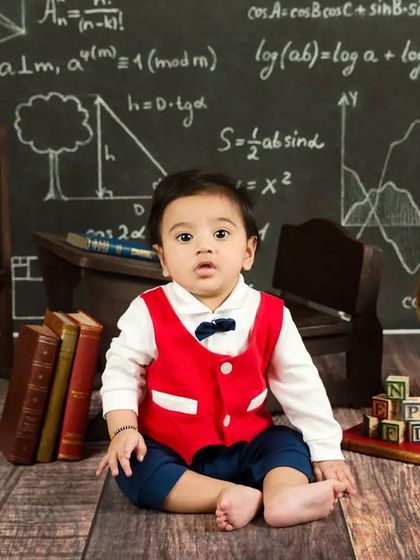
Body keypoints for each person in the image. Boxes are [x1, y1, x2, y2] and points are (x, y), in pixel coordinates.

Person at [96, 169, 357, 531]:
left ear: (248, 251)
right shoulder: (148, 310)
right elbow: (122, 370)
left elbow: (301, 384)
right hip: (171, 444)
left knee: (287, 443)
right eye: (185, 237)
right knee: (133, 470)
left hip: (249, 441)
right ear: (163, 259)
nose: (204, 246)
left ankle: (283, 495)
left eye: (221, 234)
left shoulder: (270, 314)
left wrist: (327, 450)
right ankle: (225, 493)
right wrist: (124, 428)